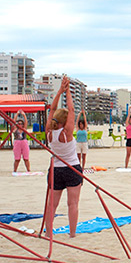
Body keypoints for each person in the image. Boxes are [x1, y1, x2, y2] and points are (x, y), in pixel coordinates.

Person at [44, 77, 83, 239]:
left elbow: (52, 109)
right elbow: (72, 110)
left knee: (52, 205)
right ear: (65, 120)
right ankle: (72, 234)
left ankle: (48, 234)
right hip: (72, 168)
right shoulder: (66, 133)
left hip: (56, 170)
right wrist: (67, 91)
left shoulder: (49, 131)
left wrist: (59, 91)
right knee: (72, 204)